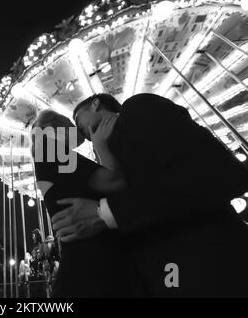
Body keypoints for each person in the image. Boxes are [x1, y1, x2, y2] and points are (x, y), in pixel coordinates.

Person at [55, 92, 248, 297]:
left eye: (78, 119)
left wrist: (108, 213)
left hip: (210, 269)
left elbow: (219, 172)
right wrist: (101, 148)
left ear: (95, 104)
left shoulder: (136, 109)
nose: (79, 129)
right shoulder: (105, 154)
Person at [31, 109, 144, 297]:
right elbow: (115, 182)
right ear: (54, 128)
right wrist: (100, 144)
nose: (78, 130)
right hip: (93, 259)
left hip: (86, 257)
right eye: (70, 125)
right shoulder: (47, 147)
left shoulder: (47, 155)